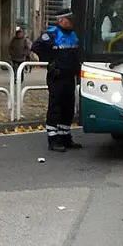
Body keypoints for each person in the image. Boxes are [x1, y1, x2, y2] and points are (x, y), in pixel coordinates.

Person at [31, 8, 82, 152]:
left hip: (69, 77)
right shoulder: (52, 34)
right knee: (56, 107)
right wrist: (51, 59)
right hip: (57, 77)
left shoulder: (73, 35)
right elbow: (36, 47)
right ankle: (53, 139)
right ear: (61, 20)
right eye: (69, 19)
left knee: (68, 107)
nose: (71, 22)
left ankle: (65, 137)